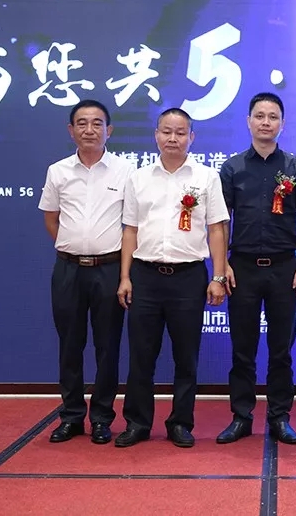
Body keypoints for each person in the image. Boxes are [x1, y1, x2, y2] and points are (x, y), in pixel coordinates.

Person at [114, 108, 229, 449]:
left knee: (186, 356)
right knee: (141, 355)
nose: (173, 138)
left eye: (180, 133)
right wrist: (125, 277)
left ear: (191, 137)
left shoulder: (207, 177)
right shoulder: (138, 178)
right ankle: (137, 423)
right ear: (156, 135)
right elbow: (130, 230)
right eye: (167, 131)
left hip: (188, 277)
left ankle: (180, 422)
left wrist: (218, 276)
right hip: (145, 275)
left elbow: (217, 229)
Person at [216, 92, 296, 445]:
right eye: (259, 116)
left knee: (281, 350)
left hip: (284, 267)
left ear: (282, 124)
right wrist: (222, 265)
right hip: (241, 267)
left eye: (273, 117)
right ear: (249, 121)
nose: (265, 122)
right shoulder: (232, 168)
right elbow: (221, 221)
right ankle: (241, 417)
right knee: (242, 349)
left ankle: (279, 416)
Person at [38, 99, 134, 445]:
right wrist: (74, 246)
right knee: (70, 345)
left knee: (108, 346)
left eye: (97, 123)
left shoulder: (126, 171)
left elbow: (132, 225)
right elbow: (51, 218)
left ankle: (102, 418)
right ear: (71, 130)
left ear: (109, 130)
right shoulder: (58, 171)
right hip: (68, 269)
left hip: (109, 269)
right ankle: (72, 416)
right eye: (82, 123)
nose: (89, 130)